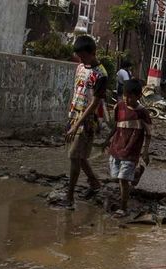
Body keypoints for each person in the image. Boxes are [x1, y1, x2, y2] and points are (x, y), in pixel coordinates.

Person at [60, 35, 107, 209]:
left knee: (74, 156)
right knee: (79, 156)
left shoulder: (101, 74)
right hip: (74, 116)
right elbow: (76, 92)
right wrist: (70, 117)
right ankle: (94, 183)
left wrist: (77, 124)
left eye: (84, 56)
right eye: (79, 56)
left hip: (87, 122)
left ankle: (70, 197)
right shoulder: (80, 67)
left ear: (93, 52)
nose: (81, 59)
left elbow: (95, 103)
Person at [105, 79, 152, 218]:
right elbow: (116, 125)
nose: (127, 99)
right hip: (117, 147)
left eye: (130, 96)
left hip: (131, 150)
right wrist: (107, 140)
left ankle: (123, 208)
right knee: (116, 176)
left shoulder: (143, 113)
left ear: (139, 96)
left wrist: (145, 151)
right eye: (125, 95)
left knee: (123, 180)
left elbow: (148, 133)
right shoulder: (119, 107)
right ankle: (137, 174)